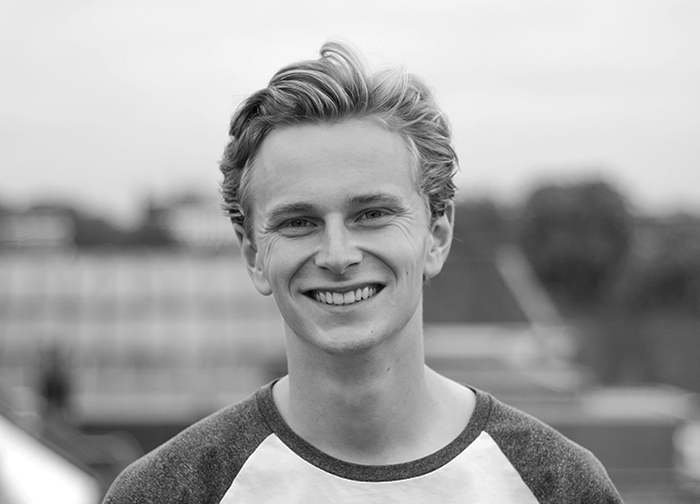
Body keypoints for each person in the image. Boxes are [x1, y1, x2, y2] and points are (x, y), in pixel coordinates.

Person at [103, 42, 622, 503]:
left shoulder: (557, 486)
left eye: (371, 214)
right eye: (299, 222)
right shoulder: (168, 492)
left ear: (437, 236)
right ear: (253, 254)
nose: (337, 254)